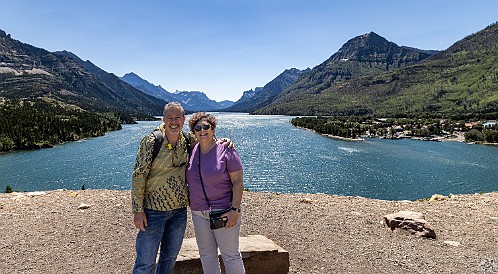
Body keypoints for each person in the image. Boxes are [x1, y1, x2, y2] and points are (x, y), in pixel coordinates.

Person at [131, 102, 232, 274]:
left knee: (169, 259)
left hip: (178, 212)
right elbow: (138, 176)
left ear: (184, 120)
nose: (174, 121)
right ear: (163, 119)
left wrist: (224, 142)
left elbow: (207, 141)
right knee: (145, 263)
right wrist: (138, 210)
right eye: (170, 117)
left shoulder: (187, 140)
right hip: (153, 211)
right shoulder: (151, 141)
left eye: (177, 117)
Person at [186, 112, 245, 274]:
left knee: (230, 255)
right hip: (199, 214)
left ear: (213, 129)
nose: (202, 130)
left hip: (224, 212)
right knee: (207, 255)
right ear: (194, 132)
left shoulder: (226, 150)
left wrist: (235, 210)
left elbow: (238, 182)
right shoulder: (192, 149)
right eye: (198, 128)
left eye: (206, 127)